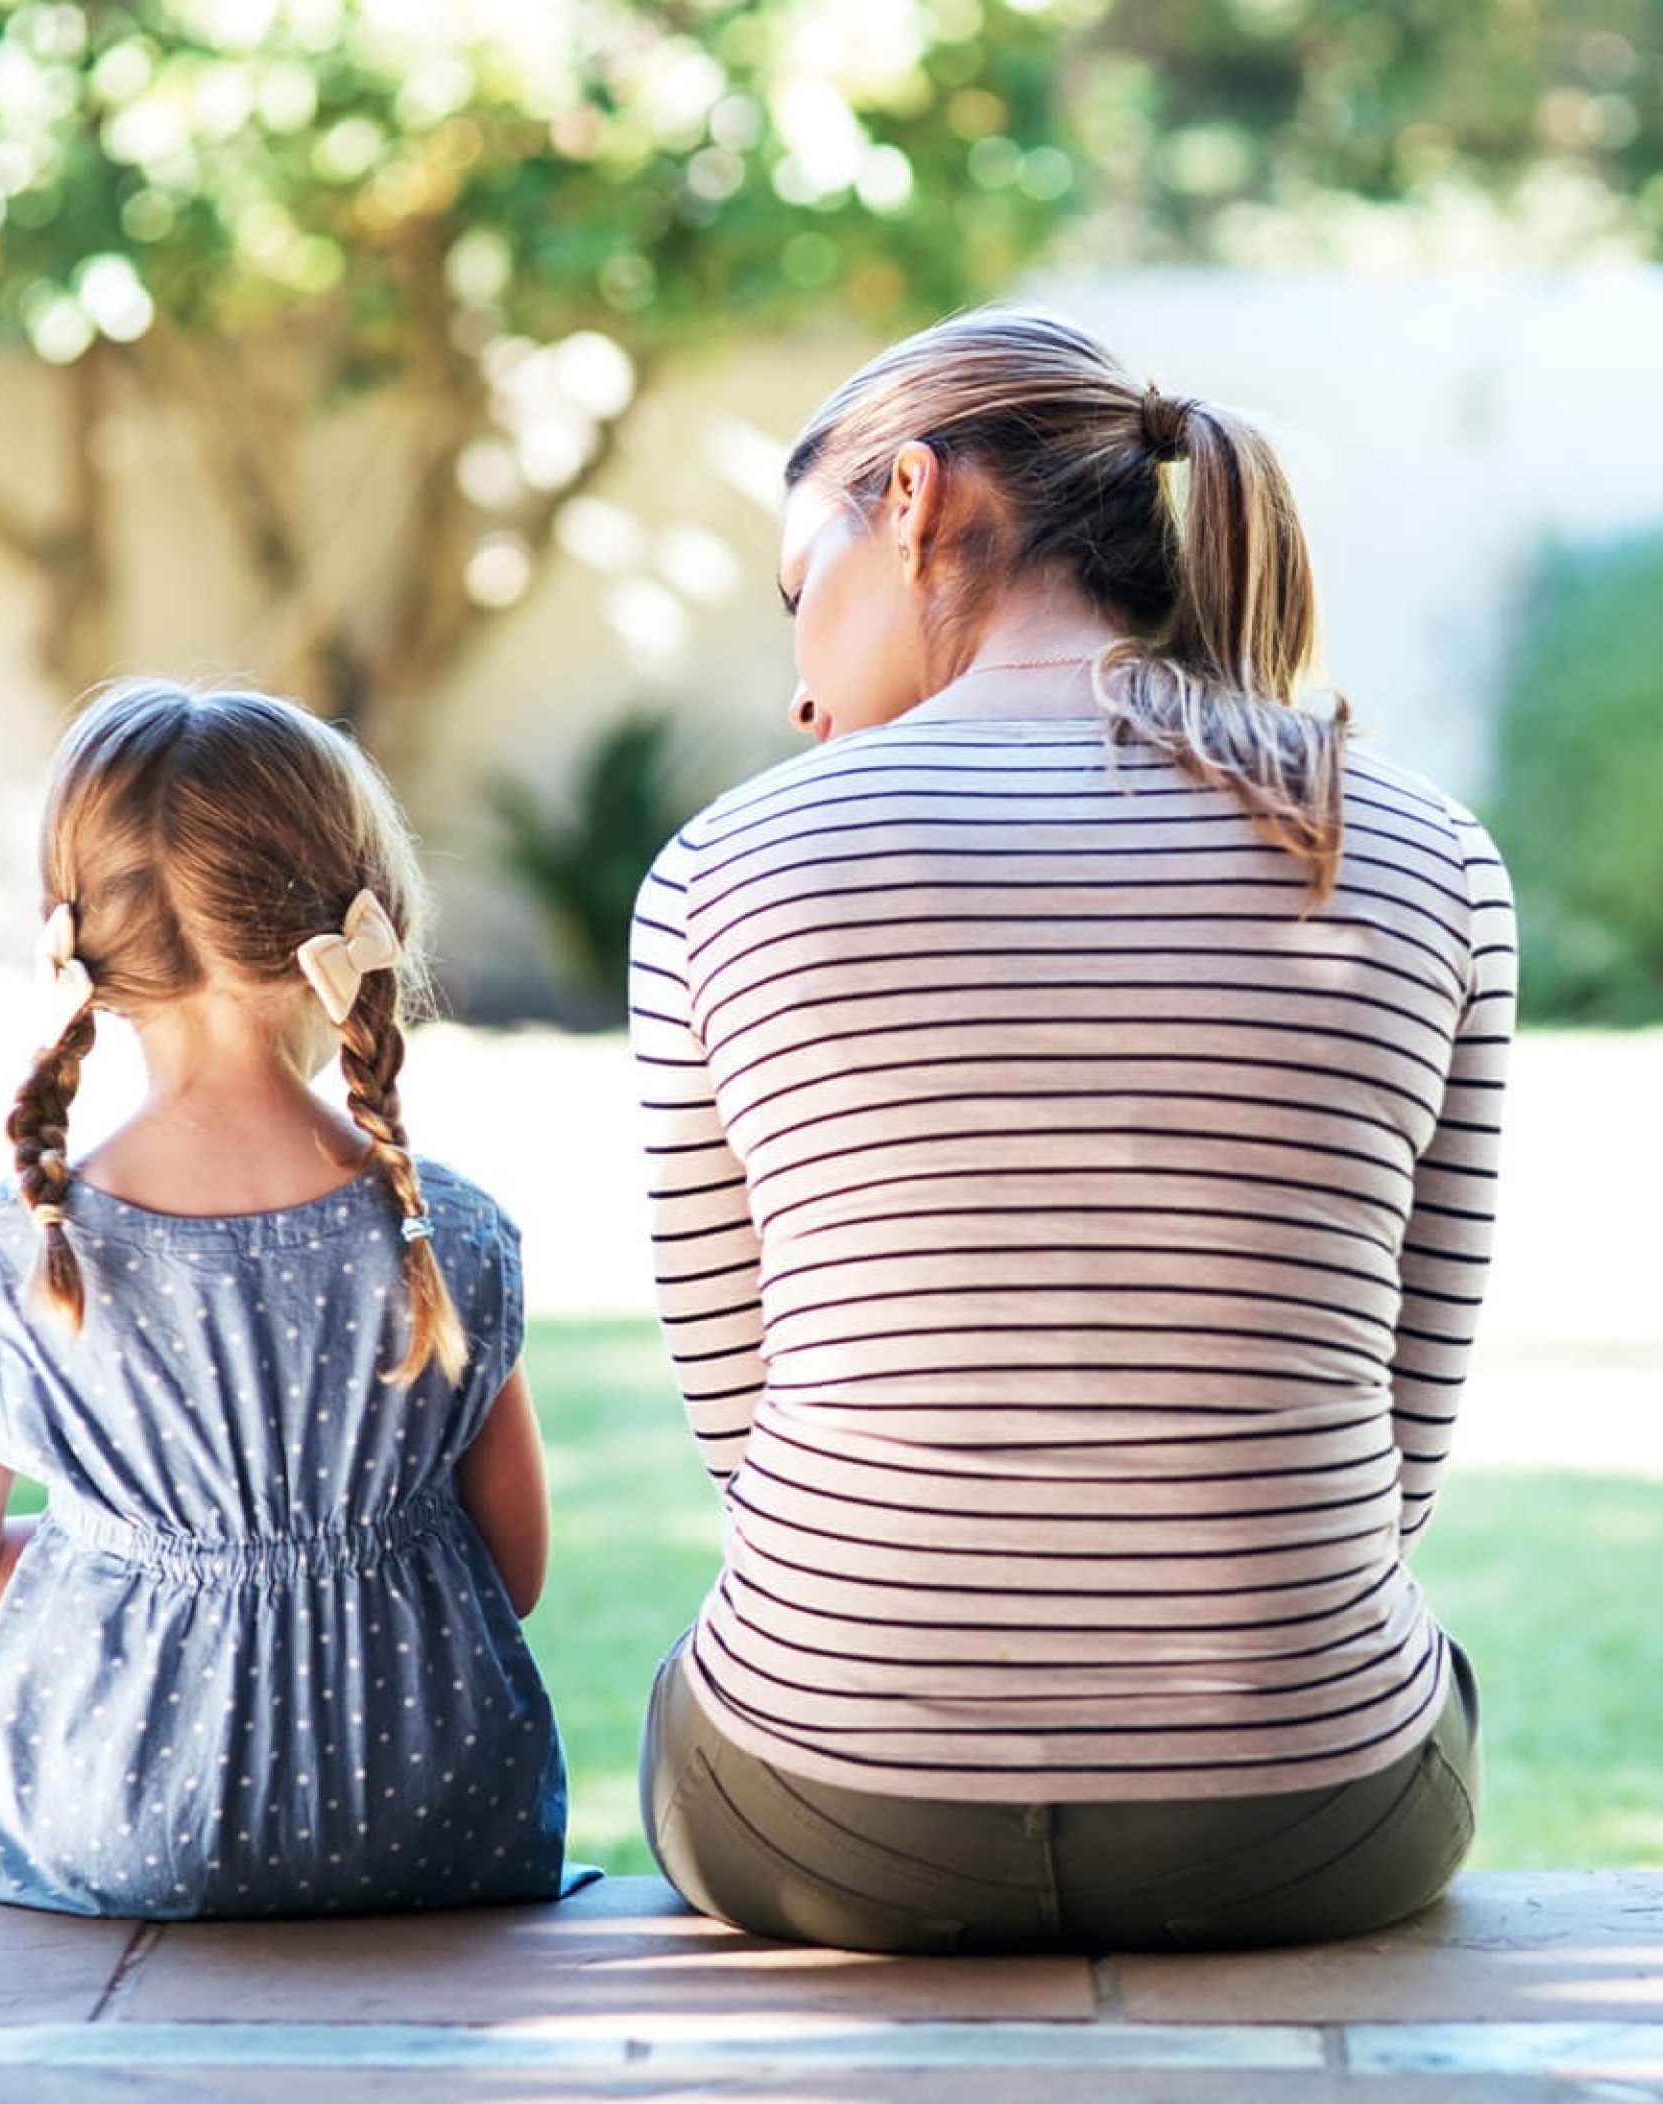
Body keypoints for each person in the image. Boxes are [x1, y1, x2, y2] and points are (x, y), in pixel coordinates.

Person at [628, 309, 1517, 1953]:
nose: (799, 686)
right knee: (1423, 1670)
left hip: (829, 1819)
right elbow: (1403, 1436)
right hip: (1308, 1818)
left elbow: (746, 1433)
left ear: (908, 499)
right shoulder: (1417, 850)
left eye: (793, 592)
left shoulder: (722, 870)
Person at [0, 680, 582, 1919]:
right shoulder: (452, 1235)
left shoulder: (22, 1251)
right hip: (430, 1825)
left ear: (83, 950)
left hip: (114, 1828)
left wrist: (144, 1550)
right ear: (358, 919)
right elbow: (514, 1570)